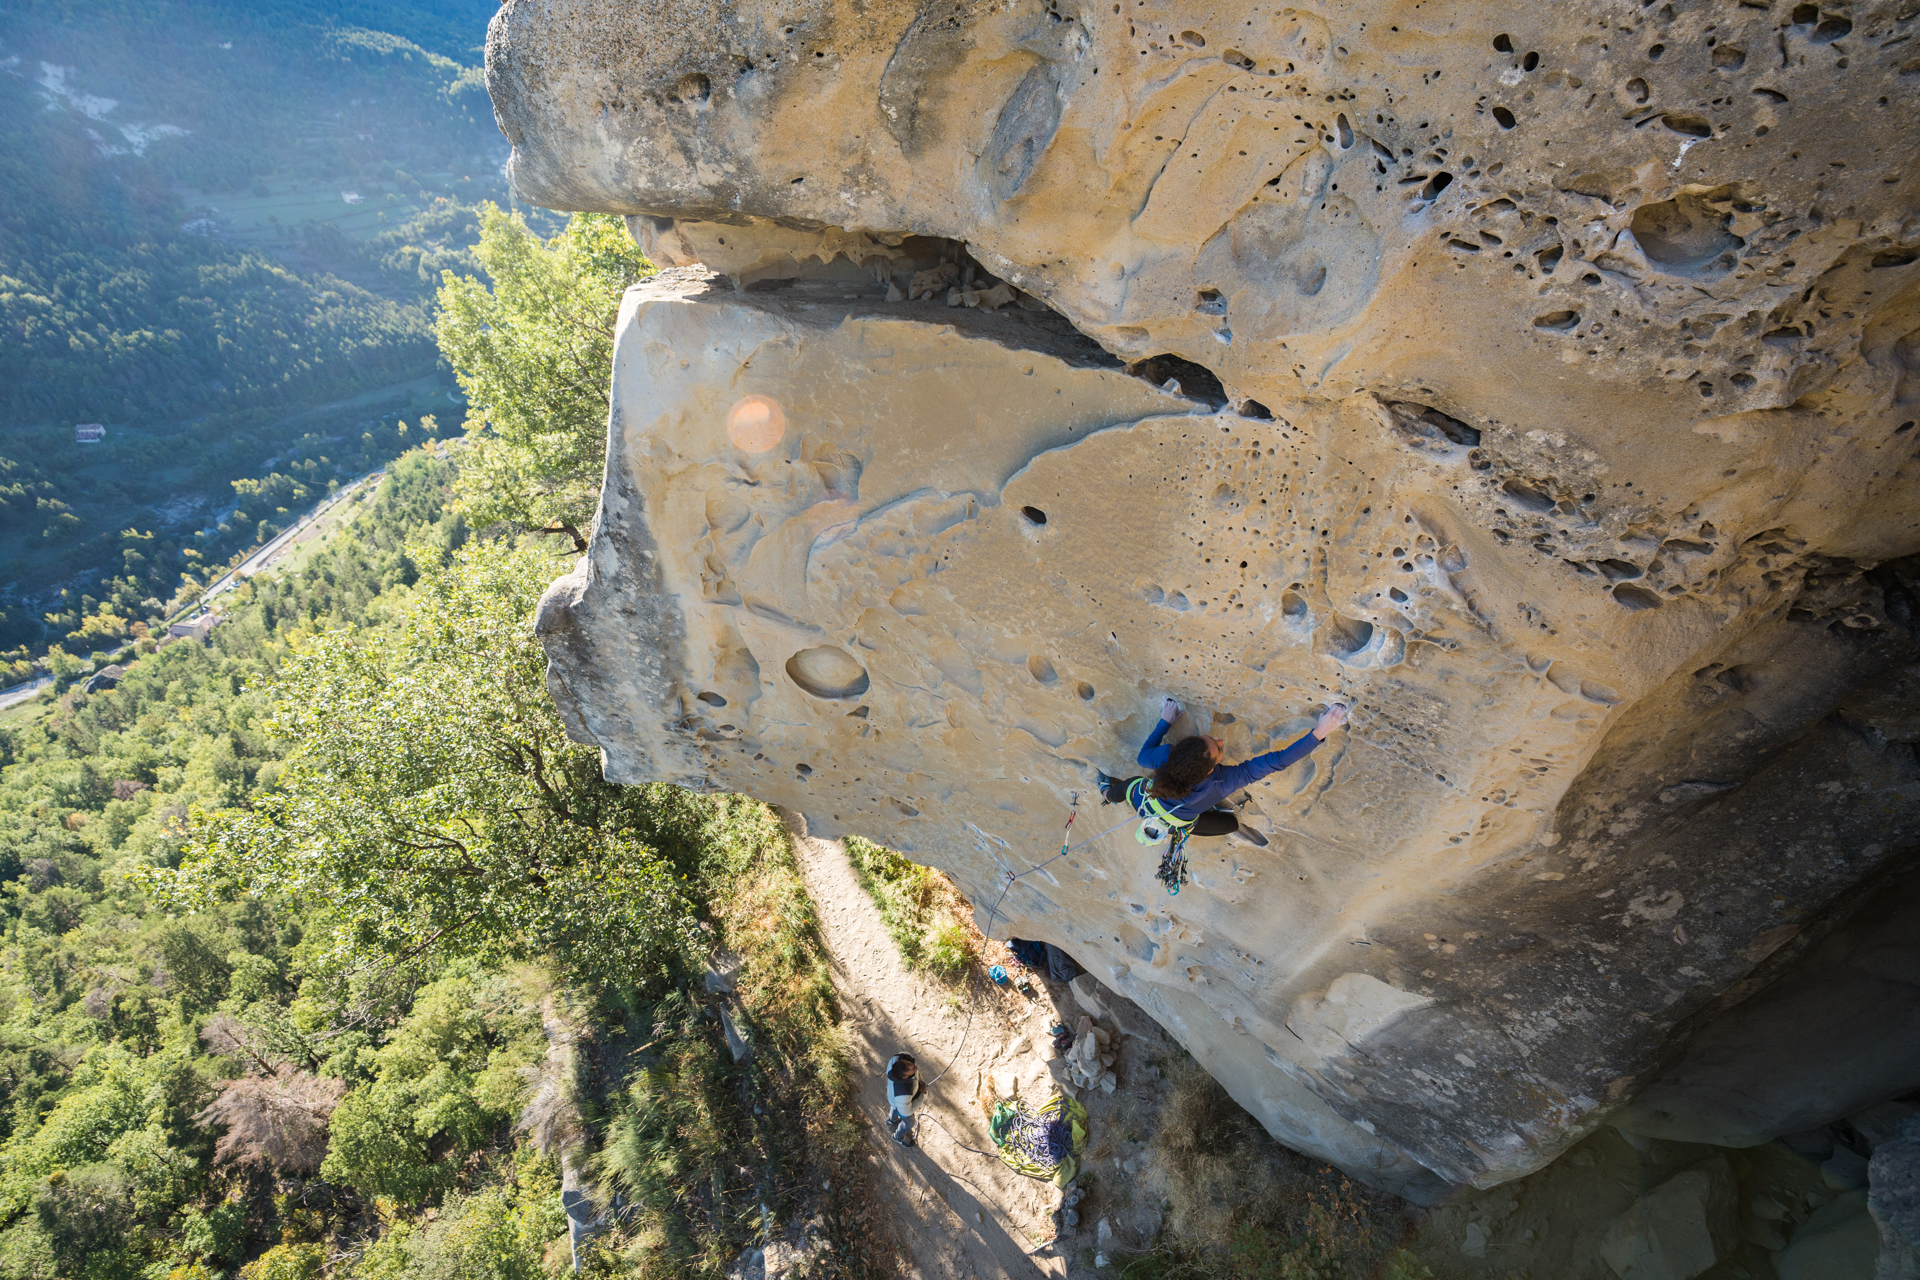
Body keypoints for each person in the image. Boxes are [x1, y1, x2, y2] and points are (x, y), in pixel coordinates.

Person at [1101, 697, 1349, 842]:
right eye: (1218, 750)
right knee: (1230, 824)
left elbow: (1144, 756)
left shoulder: (1166, 757)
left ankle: (1107, 794)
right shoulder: (1224, 781)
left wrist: (1165, 722)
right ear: (1209, 771)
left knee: (1128, 786)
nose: (1220, 743)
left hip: (1145, 800)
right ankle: (1108, 794)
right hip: (1181, 821)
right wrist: (1320, 732)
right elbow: (1277, 761)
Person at [885, 1053, 922, 1146]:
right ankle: (897, 1137)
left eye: (908, 1063)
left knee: (894, 1107)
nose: (912, 1066)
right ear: (905, 1077)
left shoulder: (895, 1061)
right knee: (909, 1123)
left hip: (893, 1098)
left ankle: (891, 1120)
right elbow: (907, 1112)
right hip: (900, 1103)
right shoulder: (904, 1094)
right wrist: (922, 1093)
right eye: (908, 1069)